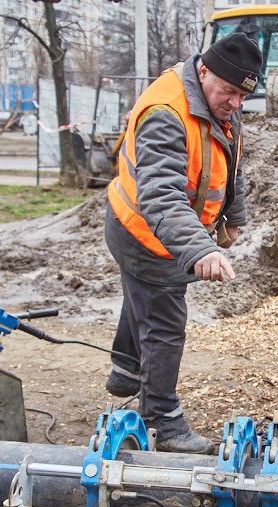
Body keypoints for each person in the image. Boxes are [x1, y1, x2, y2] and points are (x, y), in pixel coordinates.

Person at [104, 33, 262, 455]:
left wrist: (234, 216)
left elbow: (231, 162)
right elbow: (161, 197)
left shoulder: (219, 100)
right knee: (164, 325)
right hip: (145, 233)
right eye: (229, 92)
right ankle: (163, 421)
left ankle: (124, 370)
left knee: (142, 297)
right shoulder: (167, 113)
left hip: (157, 230)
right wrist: (200, 250)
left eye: (242, 95)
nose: (235, 103)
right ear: (204, 70)